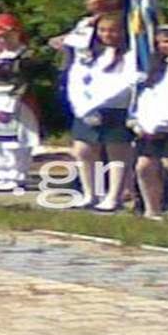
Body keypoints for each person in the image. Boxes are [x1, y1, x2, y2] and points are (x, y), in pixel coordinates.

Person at [66, 11, 136, 211]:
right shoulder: (89, 54)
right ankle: (91, 194)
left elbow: (126, 83)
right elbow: (76, 80)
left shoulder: (130, 56)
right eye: (103, 30)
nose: (107, 34)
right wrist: (81, 107)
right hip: (85, 110)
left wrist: (96, 103)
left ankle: (114, 197)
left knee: (116, 154)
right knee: (83, 151)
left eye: (113, 30)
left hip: (115, 108)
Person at [130, 26, 168, 220]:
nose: (163, 46)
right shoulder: (156, 69)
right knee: (144, 166)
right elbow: (147, 98)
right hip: (150, 126)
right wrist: (142, 122)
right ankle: (152, 210)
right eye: (159, 43)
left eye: (167, 41)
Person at [0, 14, 39, 192]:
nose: (2, 40)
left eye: (6, 36)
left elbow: (25, 77)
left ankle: (17, 174)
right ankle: (2, 172)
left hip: (17, 101)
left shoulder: (26, 55)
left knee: (17, 141)